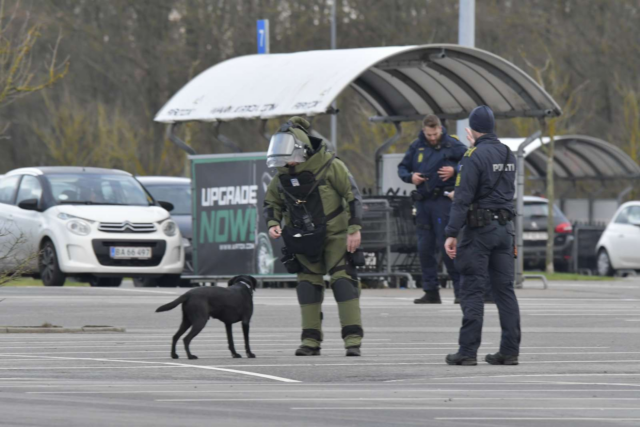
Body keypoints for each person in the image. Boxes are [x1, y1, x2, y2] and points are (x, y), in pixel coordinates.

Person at [263, 116, 364, 357]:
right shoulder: (281, 176)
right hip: (303, 237)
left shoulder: (330, 165)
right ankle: (310, 341)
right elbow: (271, 202)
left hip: (336, 235)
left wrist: (354, 229)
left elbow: (353, 196)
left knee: (343, 282)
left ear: (301, 150)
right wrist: (273, 223)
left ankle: (352, 341)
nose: (285, 162)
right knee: (307, 286)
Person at [443, 105, 521, 366]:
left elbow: (463, 198)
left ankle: (467, 352)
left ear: (472, 129)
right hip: (505, 230)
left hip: (479, 231)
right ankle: (509, 351)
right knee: (505, 292)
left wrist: (451, 233)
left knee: (473, 289)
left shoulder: (472, 155)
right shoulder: (509, 154)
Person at [398, 115, 467, 304]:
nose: (432, 138)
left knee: (447, 248)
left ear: (440, 129)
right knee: (424, 248)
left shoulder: (452, 144)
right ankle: (431, 290)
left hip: (443, 202)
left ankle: (460, 291)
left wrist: (455, 170)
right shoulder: (416, 146)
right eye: (429, 134)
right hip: (423, 203)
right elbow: (402, 168)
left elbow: (470, 161)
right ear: (424, 131)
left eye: (435, 133)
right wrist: (410, 177)